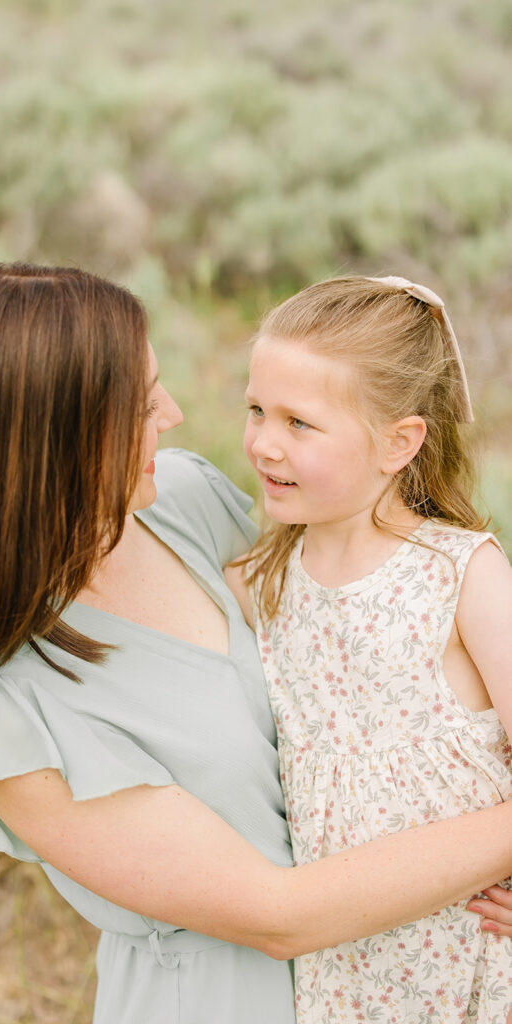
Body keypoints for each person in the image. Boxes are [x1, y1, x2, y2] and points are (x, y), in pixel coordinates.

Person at [0, 264, 512, 1024]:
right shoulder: (3, 714)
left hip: (410, 973)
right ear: (52, 435)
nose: (175, 415)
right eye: (143, 404)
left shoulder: (181, 501)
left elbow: (351, 619)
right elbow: (278, 913)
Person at [227, 275, 512, 1023]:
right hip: (344, 956)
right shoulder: (267, 577)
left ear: (399, 442)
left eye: (299, 423)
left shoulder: (462, 574)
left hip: (471, 949)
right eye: (256, 410)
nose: (263, 442)